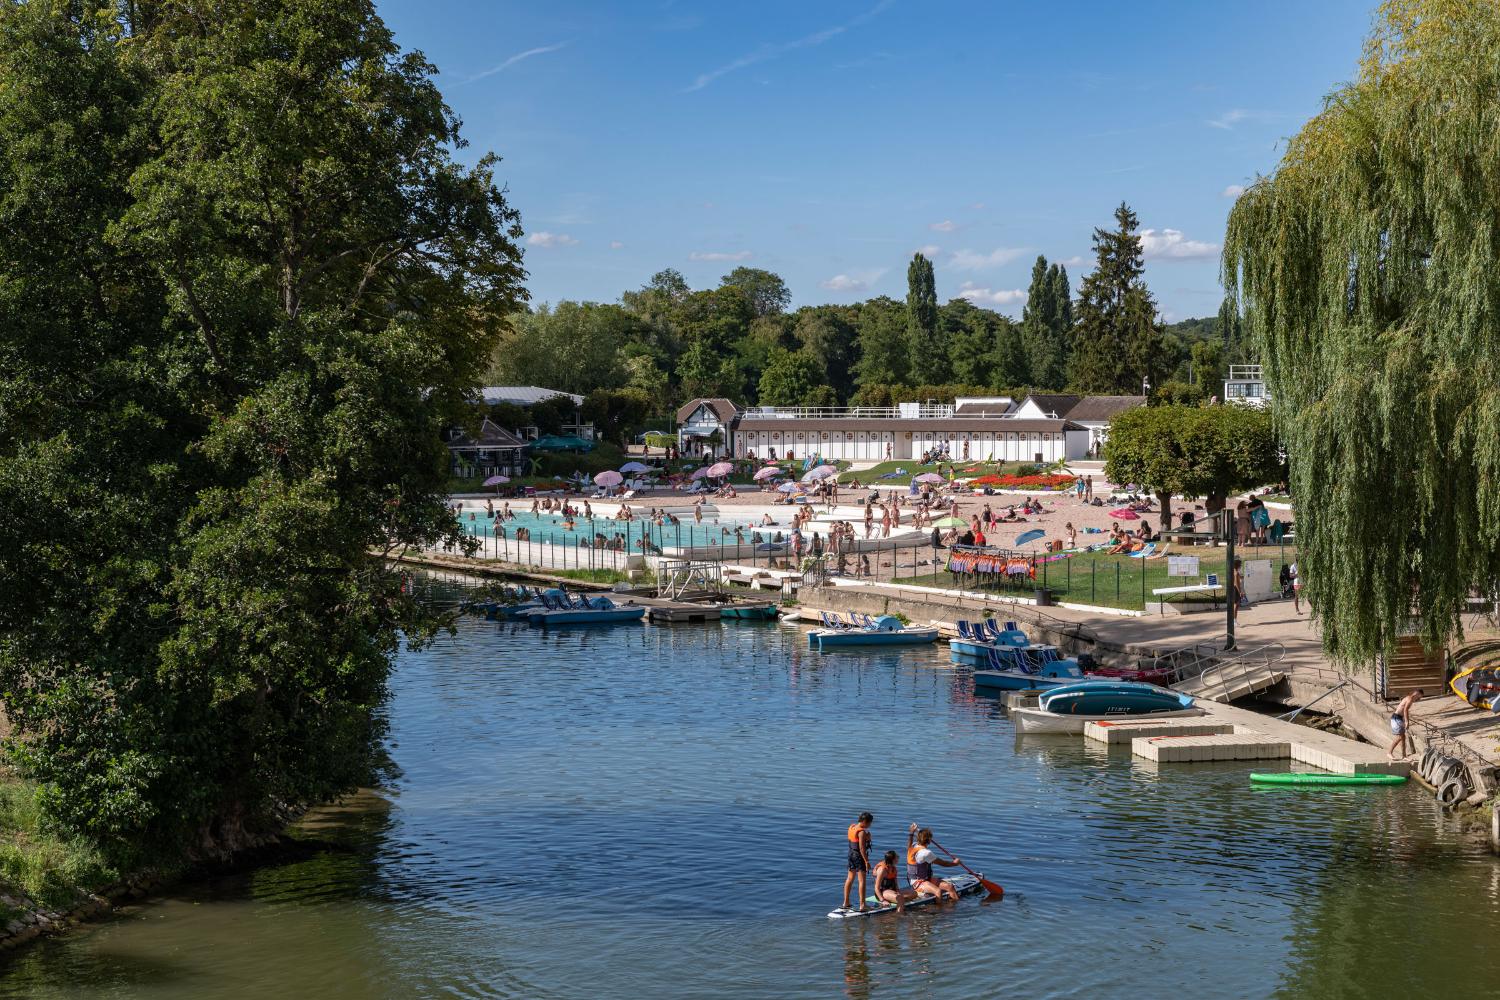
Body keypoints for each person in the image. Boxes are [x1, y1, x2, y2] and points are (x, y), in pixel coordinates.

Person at [906, 824, 961, 901]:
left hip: (926, 879)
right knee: (938, 891)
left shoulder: (913, 846)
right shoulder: (926, 853)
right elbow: (943, 863)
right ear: (929, 840)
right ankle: (939, 911)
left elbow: (909, 843)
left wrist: (911, 833)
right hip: (917, 883)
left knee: (950, 887)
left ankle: (955, 907)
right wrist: (955, 863)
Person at [843, 813, 873, 910]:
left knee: (850, 878)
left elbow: (853, 841)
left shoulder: (851, 827)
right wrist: (866, 861)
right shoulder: (862, 832)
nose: (870, 825)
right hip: (859, 856)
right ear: (865, 822)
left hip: (850, 854)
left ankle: (846, 902)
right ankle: (862, 905)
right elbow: (862, 848)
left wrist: (866, 838)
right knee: (862, 881)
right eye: (869, 823)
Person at [1387, 689, 1424, 760]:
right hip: (1396, 718)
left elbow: (1403, 710)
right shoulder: (1409, 699)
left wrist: (1404, 720)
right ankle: (1389, 752)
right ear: (1417, 693)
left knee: (1403, 737)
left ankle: (1404, 756)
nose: (1419, 698)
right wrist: (1407, 721)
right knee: (1399, 737)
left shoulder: (1409, 699)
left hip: (1399, 718)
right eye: (1419, 696)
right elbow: (1405, 710)